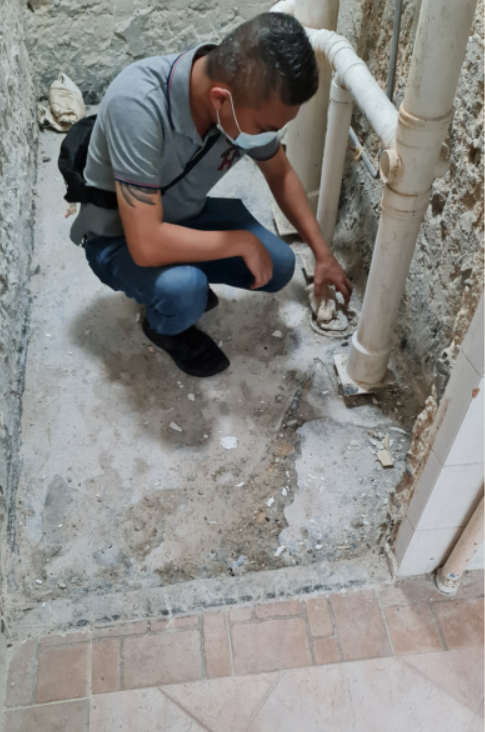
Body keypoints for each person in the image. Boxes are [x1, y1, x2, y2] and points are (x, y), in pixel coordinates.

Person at [71, 12, 353, 378]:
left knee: (280, 264)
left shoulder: (244, 100)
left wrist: (322, 254)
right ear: (221, 99)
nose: (269, 136)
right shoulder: (137, 103)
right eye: (266, 128)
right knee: (184, 291)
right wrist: (238, 242)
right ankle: (162, 327)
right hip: (120, 237)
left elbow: (280, 174)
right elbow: (146, 244)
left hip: (185, 215)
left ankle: (188, 271)